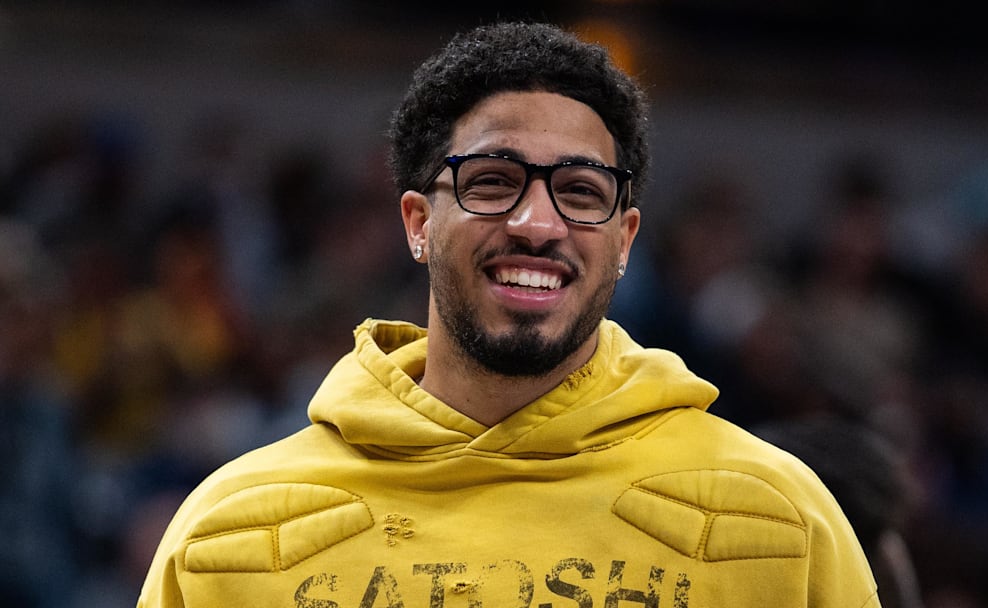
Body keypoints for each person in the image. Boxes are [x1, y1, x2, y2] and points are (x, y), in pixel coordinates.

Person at [138, 22, 880, 608]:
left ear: (625, 240)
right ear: (418, 223)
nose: (537, 223)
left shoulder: (778, 520)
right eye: (493, 181)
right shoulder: (232, 532)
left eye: (581, 192)